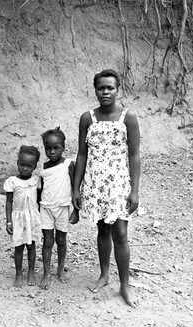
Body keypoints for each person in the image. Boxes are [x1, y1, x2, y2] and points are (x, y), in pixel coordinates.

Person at [72, 69, 140, 307]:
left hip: (119, 185)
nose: (105, 92)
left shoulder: (127, 117)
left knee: (120, 233)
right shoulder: (87, 118)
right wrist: (76, 188)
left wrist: (135, 190)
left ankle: (124, 286)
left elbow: (134, 154)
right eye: (101, 88)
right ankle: (104, 274)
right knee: (102, 230)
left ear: (117, 89)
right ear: (95, 90)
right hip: (96, 184)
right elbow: (82, 154)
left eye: (110, 87)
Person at [39, 127, 79, 289]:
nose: (52, 152)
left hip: (63, 208)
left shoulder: (68, 164)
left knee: (61, 240)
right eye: (48, 148)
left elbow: (76, 188)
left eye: (56, 148)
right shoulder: (45, 166)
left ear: (63, 147)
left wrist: (77, 211)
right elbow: (42, 188)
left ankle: (60, 270)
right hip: (46, 208)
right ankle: (46, 273)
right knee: (47, 241)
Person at [4, 145, 42, 288]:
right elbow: (8, 202)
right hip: (18, 218)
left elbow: (38, 200)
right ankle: (19, 273)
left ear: (34, 167)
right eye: (22, 164)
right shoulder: (12, 181)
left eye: (29, 166)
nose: (25, 168)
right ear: (17, 163)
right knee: (19, 247)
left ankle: (31, 272)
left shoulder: (36, 181)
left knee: (31, 246)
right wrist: (8, 222)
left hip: (32, 217)